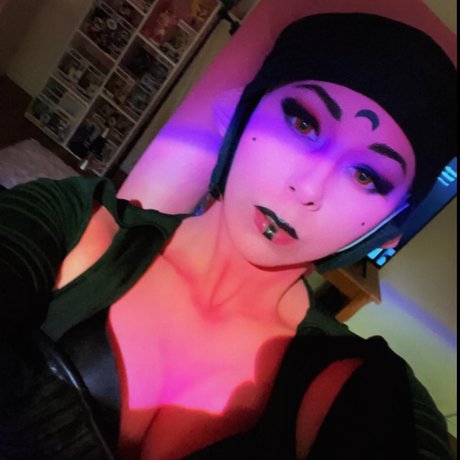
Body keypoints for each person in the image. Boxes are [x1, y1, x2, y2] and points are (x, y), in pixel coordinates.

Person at [0, 11, 456, 460]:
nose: (308, 188)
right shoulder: (75, 220)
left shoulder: (359, 385)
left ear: (388, 228)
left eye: (365, 175)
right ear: (243, 114)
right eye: (303, 123)